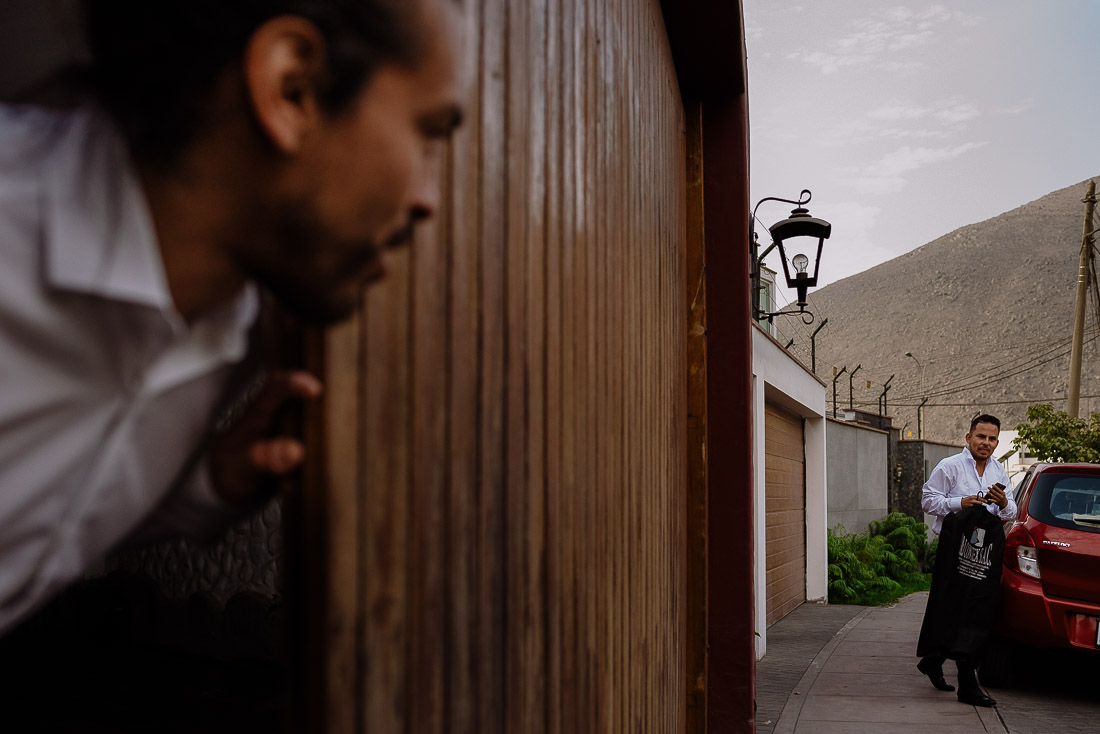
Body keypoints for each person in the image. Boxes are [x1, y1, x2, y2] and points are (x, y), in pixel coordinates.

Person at [0, 0, 465, 634]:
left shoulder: (234, 330)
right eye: (428, 135)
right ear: (291, 89)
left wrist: (200, 491)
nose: (427, 201)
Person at [916, 413, 1017, 707]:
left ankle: (934, 662)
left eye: (991, 438)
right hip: (952, 552)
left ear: (997, 441)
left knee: (976, 612)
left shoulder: (999, 471)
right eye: (981, 436)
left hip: (984, 554)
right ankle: (966, 685)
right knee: (950, 610)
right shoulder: (950, 467)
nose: (985, 443)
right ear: (968, 438)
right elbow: (926, 500)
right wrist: (960, 502)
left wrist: (1002, 502)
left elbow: (1010, 512)